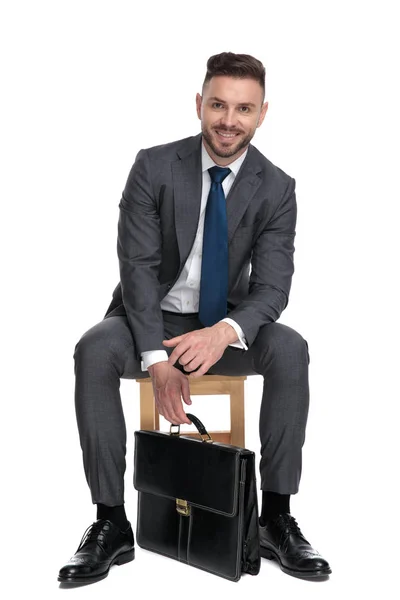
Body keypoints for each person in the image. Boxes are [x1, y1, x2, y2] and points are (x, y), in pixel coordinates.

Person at [58, 51, 331, 584]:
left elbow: (273, 288)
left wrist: (223, 333)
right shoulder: (154, 166)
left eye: (244, 109)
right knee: (93, 348)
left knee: (290, 347)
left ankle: (275, 516)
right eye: (218, 105)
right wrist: (156, 359)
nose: (229, 120)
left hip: (223, 325)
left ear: (262, 113)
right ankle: (111, 522)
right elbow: (136, 268)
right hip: (148, 319)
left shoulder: (277, 187)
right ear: (199, 104)